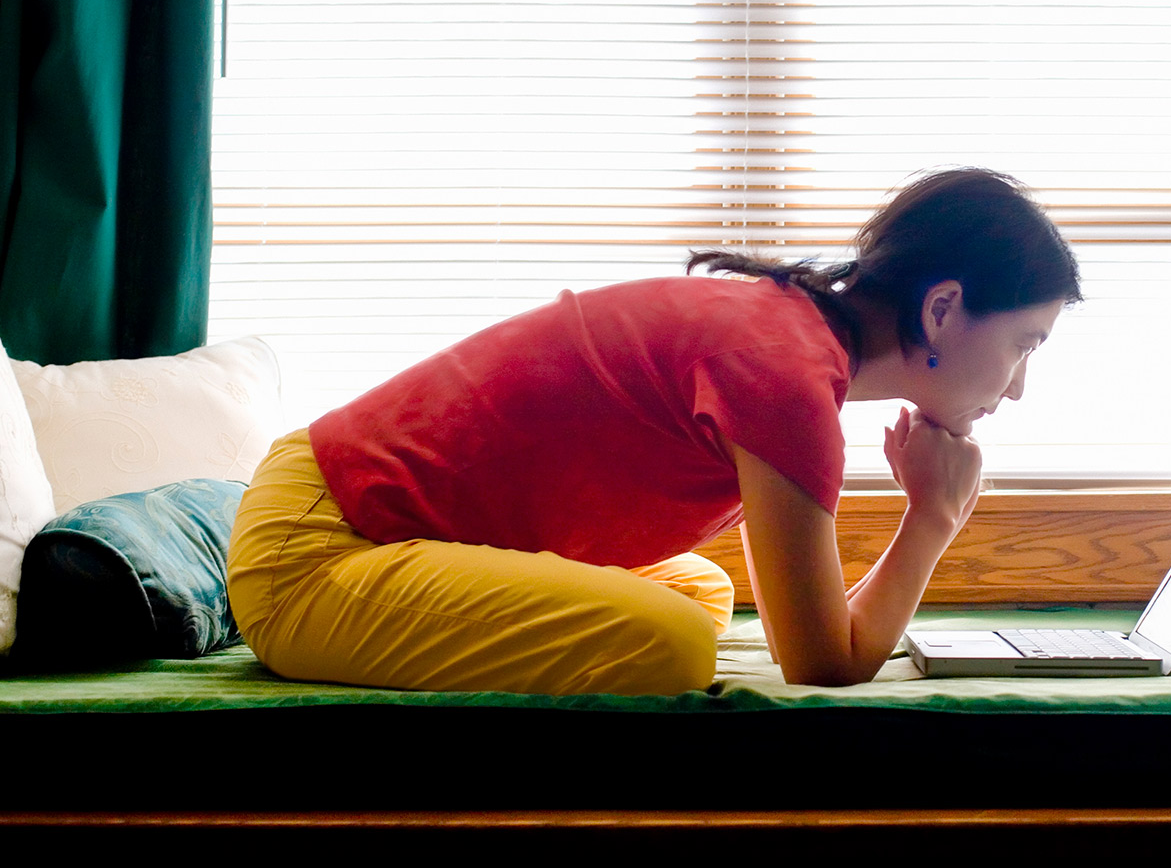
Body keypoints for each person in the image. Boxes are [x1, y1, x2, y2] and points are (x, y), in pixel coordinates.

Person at [226, 167, 1082, 694]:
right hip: (313, 552)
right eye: (1024, 345)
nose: (1017, 388)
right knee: (671, 644)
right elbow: (823, 662)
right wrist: (931, 520)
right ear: (942, 309)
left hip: (321, 504)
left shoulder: (789, 338)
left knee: (697, 596)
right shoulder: (785, 376)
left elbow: (808, 633)